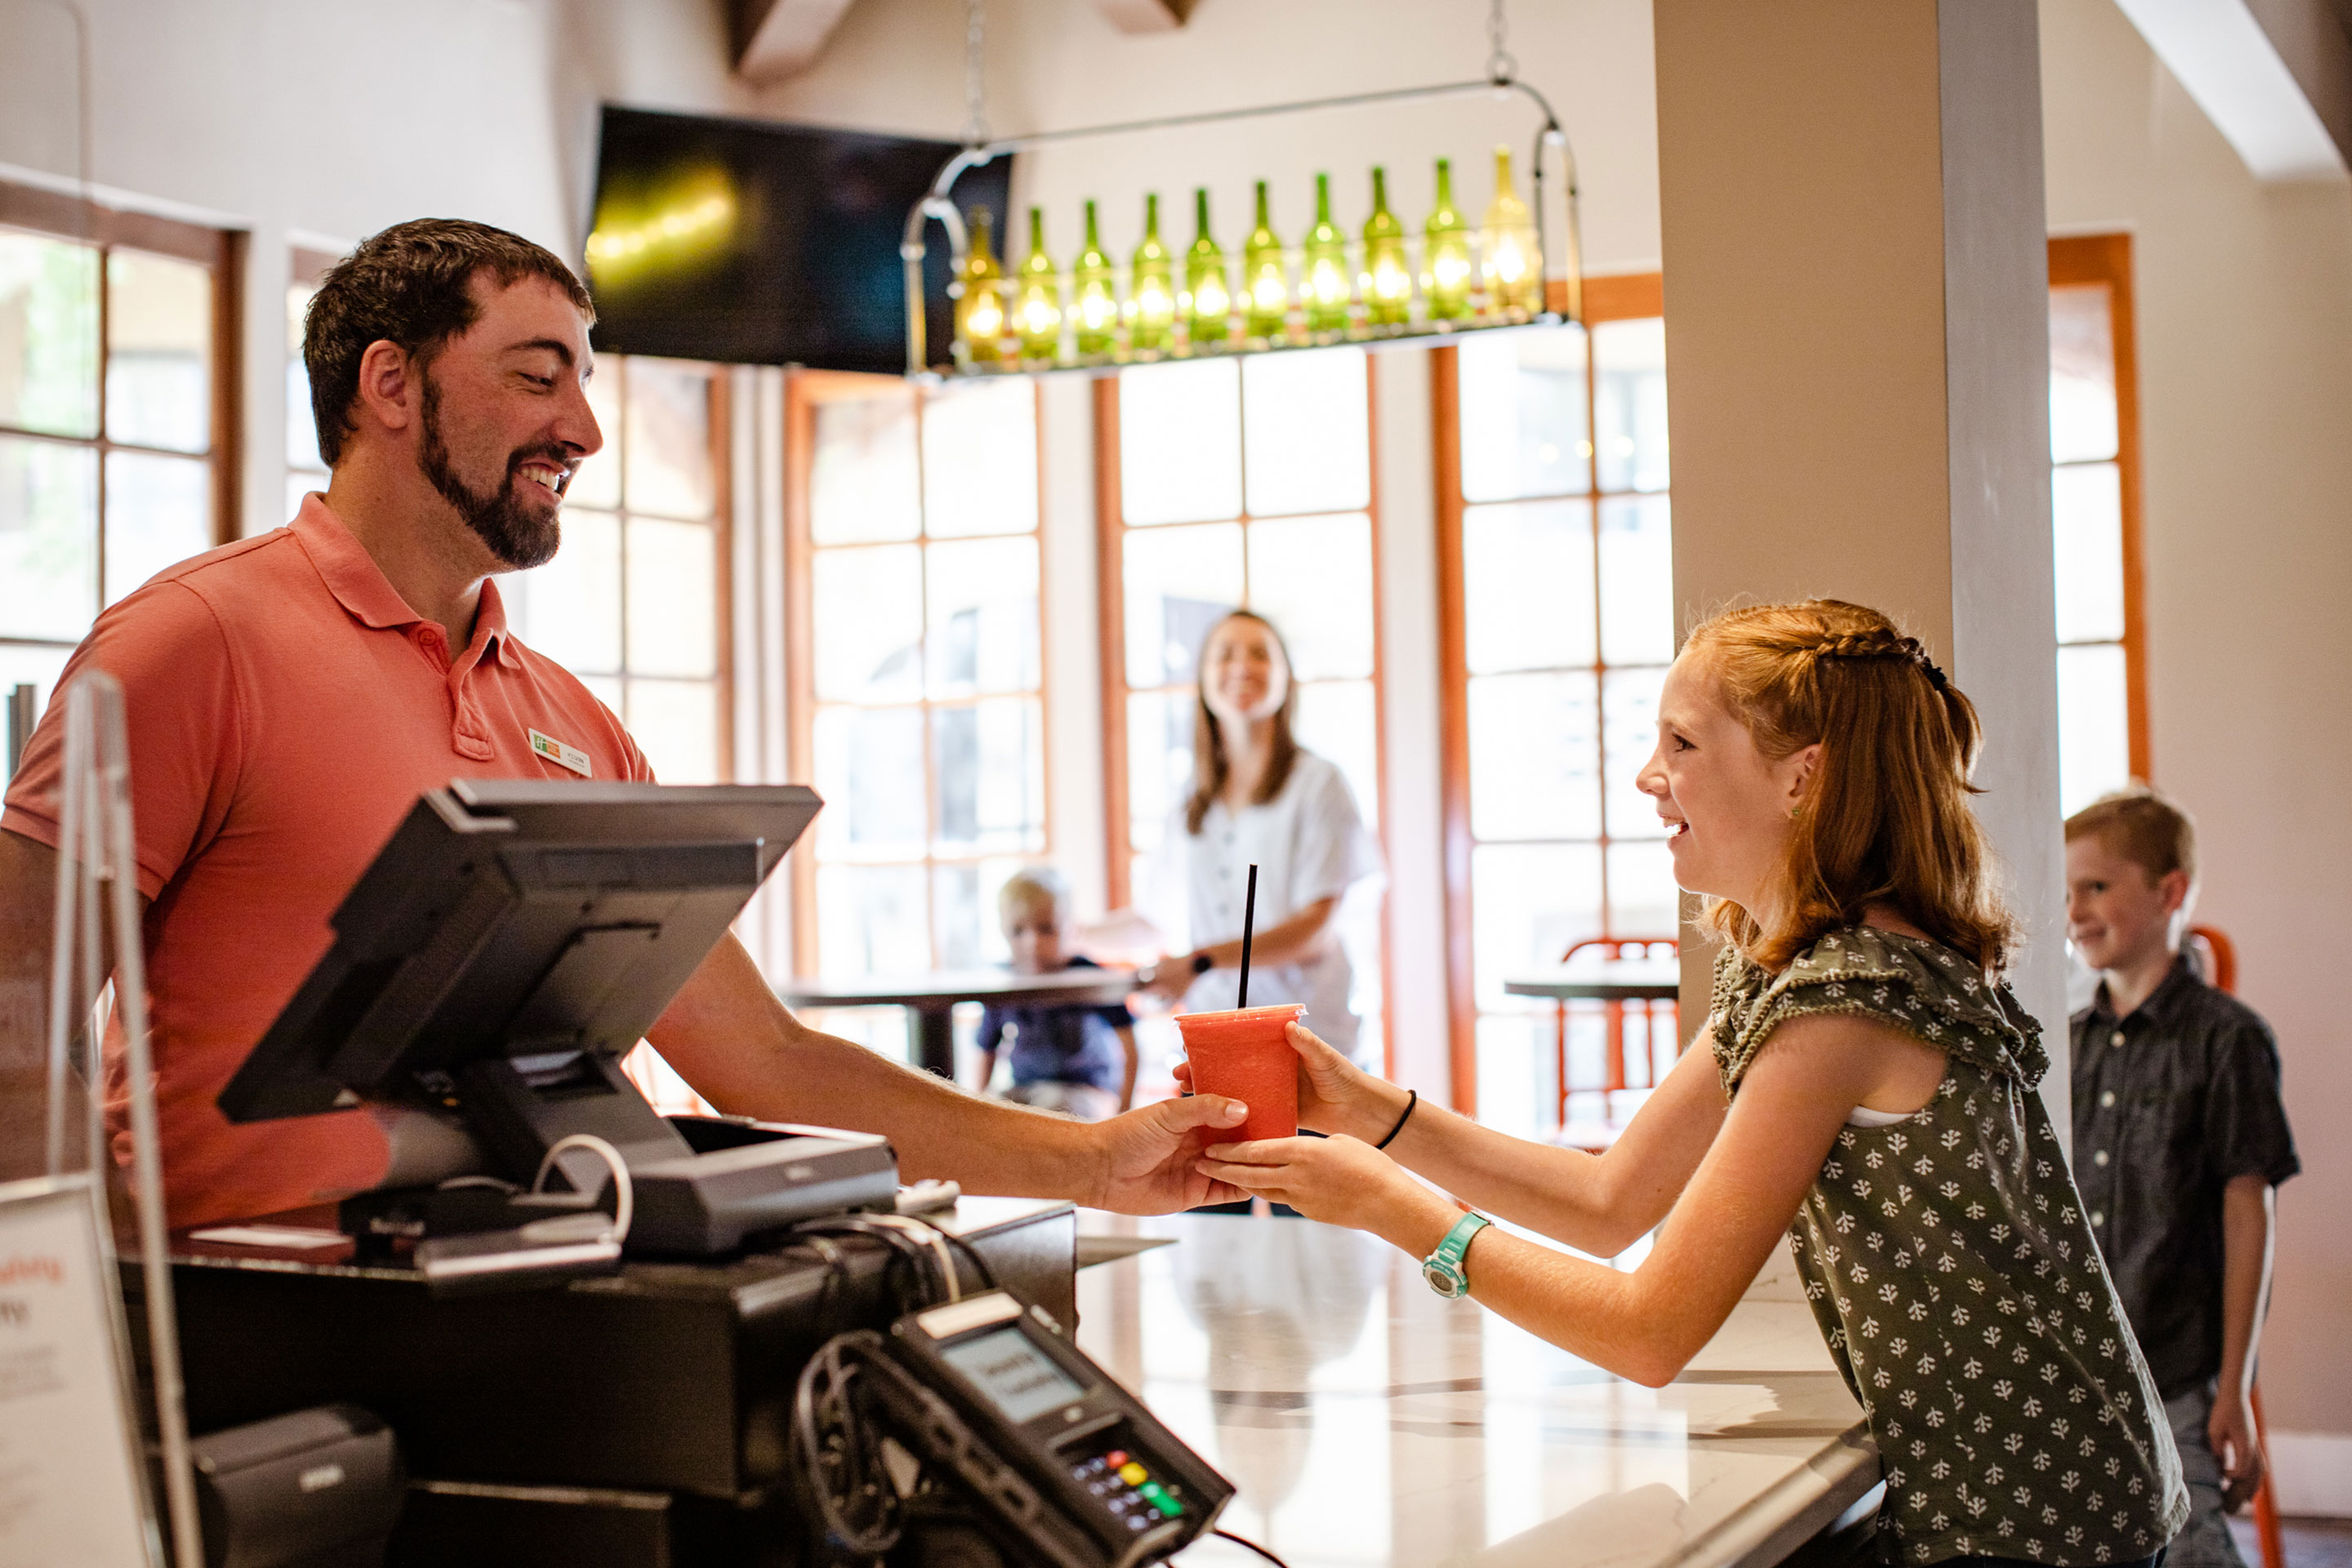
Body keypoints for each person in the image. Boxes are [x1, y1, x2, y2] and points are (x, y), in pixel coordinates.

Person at [0, 218, 1249, 1227]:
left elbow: (760, 1059)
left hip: (553, 1300)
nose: (585, 430)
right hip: (264, 1342)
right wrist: (88, 1324)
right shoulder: (191, 643)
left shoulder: (572, 725)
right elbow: (13, 1008)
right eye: (538, 376)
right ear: (390, 384)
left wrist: (1090, 1162)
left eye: (585, 384)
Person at [1197, 600, 2187, 1568]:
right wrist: (1365, 1111)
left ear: (1804, 778)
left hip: (2033, 1514)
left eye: (1682, 744)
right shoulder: (1794, 965)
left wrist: (1394, 1209)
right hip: (2056, 1472)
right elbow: (1607, 1201)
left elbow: (1650, 1332)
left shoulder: (1841, 1004)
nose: (1648, 775)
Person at [2066, 788, 2298, 1568]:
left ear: (2169, 893)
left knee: (2193, 1545)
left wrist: (2235, 1385)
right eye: (2067, 891)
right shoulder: (2067, 1047)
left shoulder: (2228, 1039)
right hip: (2086, 1373)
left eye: (2097, 887)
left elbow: (2247, 1215)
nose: (2076, 911)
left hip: (2177, 1374)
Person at [1134, 611, 1381, 1062]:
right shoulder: (1193, 799)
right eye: (1224, 654)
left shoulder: (1320, 784)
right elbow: (1151, 919)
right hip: (1215, 1040)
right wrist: (1067, 933)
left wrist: (1201, 961)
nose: (1242, 666)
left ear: (1286, 678)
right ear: (1203, 681)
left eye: (1260, 654)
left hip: (1308, 1041)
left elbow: (1316, 929)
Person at [971, 867, 1139, 1120]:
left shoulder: (1090, 977)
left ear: (1070, 928)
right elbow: (987, 1048)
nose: (1032, 942)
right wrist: (976, 1103)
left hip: (1085, 1090)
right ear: (1003, 930)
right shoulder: (1005, 984)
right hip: (1025, 1089)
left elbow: (1130, 1045)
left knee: (1053, 1108)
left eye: (1046, 929)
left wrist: (1124, 1108)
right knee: (997, 1114)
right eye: (1018, 931)